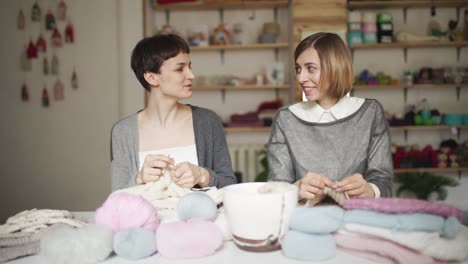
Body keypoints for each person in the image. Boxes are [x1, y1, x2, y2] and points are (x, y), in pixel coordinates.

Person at [267, 32, 393, 201]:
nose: (301, 78)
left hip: (358, 219)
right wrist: (296, 189)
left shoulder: (370, 113)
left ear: (335, 67)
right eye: (298, 69)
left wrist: (370, 190)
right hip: (305, 220)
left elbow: (383, 181)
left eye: (310, 68)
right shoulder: (286, 119)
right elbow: (276, 188)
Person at [111, 34, 236, 191]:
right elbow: (117, 198)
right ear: (151, 77)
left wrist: (202, 176)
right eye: (179, 69)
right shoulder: (123, 132)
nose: (191, 75)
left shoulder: (207, 121)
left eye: (189, 67)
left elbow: (230, 186)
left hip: (199, 216)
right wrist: (139, 178)